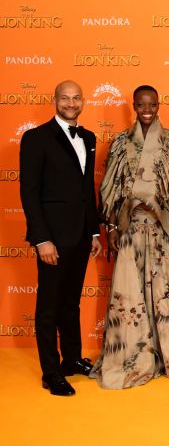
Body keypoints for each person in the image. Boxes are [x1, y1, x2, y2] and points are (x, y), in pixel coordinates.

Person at [91, 85, 169, 389]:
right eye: (141, 104)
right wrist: (113, 227)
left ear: (158, 105)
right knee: (130, 293)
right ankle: (135, 355)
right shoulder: (119, 142)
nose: (147, 109)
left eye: (152, 104)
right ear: (133, 105)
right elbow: (111, 187)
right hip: (130, 229)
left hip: (161, 228)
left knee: (165, 293)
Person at [19, 80, 103, 396]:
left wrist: (93, 231)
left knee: (71, 303)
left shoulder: (89, 137)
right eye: (65, 98)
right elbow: (29, 191)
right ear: (55, 100)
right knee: (49, 307)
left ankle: (71, 360)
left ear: (83, 101)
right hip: (52, 238)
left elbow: (86, 192)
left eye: (76, 98)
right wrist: (41, 239)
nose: (70, 103)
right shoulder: (36, 138)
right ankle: (51, 372)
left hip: (81, 235)